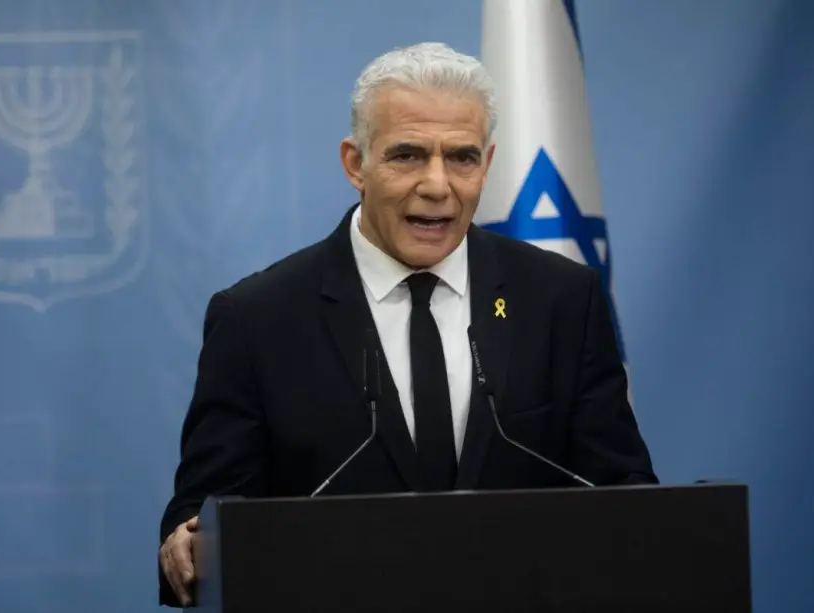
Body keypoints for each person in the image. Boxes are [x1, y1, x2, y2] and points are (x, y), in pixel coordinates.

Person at [158, 41, 657, 607]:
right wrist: (186, 541)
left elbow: (623, 491)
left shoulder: (562, 300)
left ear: (487, 164)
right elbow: (207, 512)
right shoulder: (257, 319)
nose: (438, 185)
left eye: (463, 157)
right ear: (356, 164)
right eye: (408, 155)